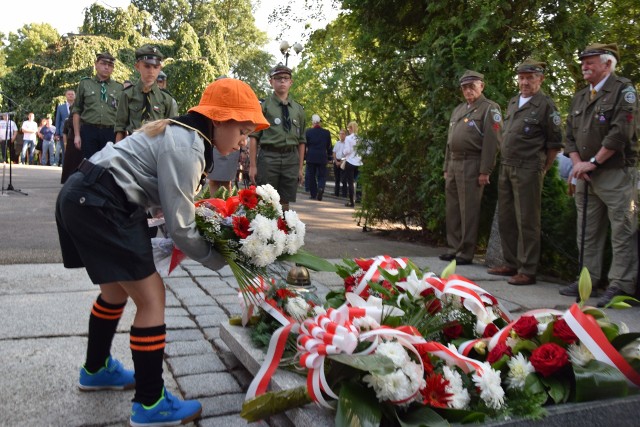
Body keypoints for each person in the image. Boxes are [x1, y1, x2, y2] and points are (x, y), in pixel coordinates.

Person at [55, 78, 269, 426]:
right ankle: (151, 404)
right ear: (219, 120)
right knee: (152, 298)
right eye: (242, 130)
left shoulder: (182, 132)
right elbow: (182, 228)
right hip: (101, 204)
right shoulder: (188, 146)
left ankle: (96, 369)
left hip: (83, 196)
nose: (244, 141)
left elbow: (171, 210)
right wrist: (224, 259)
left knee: (114, 290)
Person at [558, 43, 639, 307]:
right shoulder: (581, 96)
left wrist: (592, 162)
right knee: (587, 231)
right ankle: (588, 281)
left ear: (608, 64)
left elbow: (620, 133)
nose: (584, 65)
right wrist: (579, 163)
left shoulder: (623, 91)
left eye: (590, 61)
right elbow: (569, 135)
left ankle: (620, 285)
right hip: (586, 174)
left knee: (622, 229)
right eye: (583, 61)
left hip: (615, 172)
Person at [487, 59, 563, 285]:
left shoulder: (546, 105)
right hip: (507, 166)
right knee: (506, 217)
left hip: (528, 168)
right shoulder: (513, 102)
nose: (525, 82)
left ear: (540, 79)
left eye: (530, 77)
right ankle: (511, 263)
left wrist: (542, 168)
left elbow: (554, 144)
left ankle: (528, 270)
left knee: (527, 219)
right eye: (521, 78)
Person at [439, 70, 502, 265]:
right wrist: (446, 166)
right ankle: (454, 247)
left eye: (472, 86)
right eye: (465, 87)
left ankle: (466, 252)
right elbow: (450, 141)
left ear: (481, 86)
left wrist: (485, 170)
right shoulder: (458, 109)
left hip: (472, 163)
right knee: (454, 208)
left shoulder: (489, 109)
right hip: (455, 163)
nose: (468, 90)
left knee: (469, 210)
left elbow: (493, 142)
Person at [249, 64, 306, 212]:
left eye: (286, 78)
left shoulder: (298, 110)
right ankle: (265, 232)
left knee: (285, 200)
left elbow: (301, 141)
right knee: (265, 199)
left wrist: (300, 168)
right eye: (278, 78)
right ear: (271, 81)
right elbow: (254, 137)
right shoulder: (264, 107)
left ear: (291, 82)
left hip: (291, 158)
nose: (282, 81)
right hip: (269, 157)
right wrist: (253, 166)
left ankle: (283, 232)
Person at [115, 45, 177, 143]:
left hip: (157, 146)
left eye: (155, 67)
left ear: (160, 68)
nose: (151, 71)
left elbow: (172, 129)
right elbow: (120, 127)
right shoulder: (128, 94)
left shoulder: (165, 98)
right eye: (147, 66)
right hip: (133, 144)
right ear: (137, 66)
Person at [73, 51, 123, 160]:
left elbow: (122, 115)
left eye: (110, 65)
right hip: (89, 130)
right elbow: (77, 110)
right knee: (89, 165)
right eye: (103, 64)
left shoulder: (119, 87)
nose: (106, 67)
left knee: (108, 165)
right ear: (96, 65)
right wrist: (77, 135)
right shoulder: (85, 84)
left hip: (110, 132)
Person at [304, 114, 332, 200]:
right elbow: (329, 146)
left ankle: (313, 194)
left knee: (311, 176)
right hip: (322, 157)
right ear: (320, 122)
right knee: (322, 175)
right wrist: (330, 157)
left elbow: (305, 146)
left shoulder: (308, 132)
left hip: (311, 157)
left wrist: (304, 157)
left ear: (313, 122)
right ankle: (321, 188)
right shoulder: (326, 133)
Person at [342, 121, 362, 208]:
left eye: (348, 128)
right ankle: (358, 198)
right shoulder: (360, 138)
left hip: (350, 162)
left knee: (350, 183)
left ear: (350, 128)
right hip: (359, 162)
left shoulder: (348, 138)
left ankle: (351, 202)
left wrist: (343, 152)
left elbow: (347, 150)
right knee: (359, 182)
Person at [54, 89, 76, 166]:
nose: (70, 95)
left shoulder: (78, 106)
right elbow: (58, 120)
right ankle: (64, 171)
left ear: (75, 96)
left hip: (75, 132)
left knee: (75, 153)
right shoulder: (61, 107)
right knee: (65, 152)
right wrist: (57, 133)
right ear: (66, 96)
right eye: (69, 94)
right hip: (63, 133)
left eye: (72, 94)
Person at [60, 116, 83, 183]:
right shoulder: (68, 120)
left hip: (82, 139)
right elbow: (65, 133)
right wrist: (65, 143)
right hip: (72, 139)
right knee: (70, 161)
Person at [332, 129, 348, 197]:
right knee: (337, 179)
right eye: (340, 134)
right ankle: (336, 193)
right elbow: (334, 152)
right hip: (336, 161)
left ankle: (344, 194)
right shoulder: (337, 143)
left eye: (343, 134)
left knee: (344, 179)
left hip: (343, 161)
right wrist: (336, 161)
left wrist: (341, 162)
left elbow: (347, 154)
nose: (341, 135)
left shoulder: (347, 144)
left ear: (345, 135)